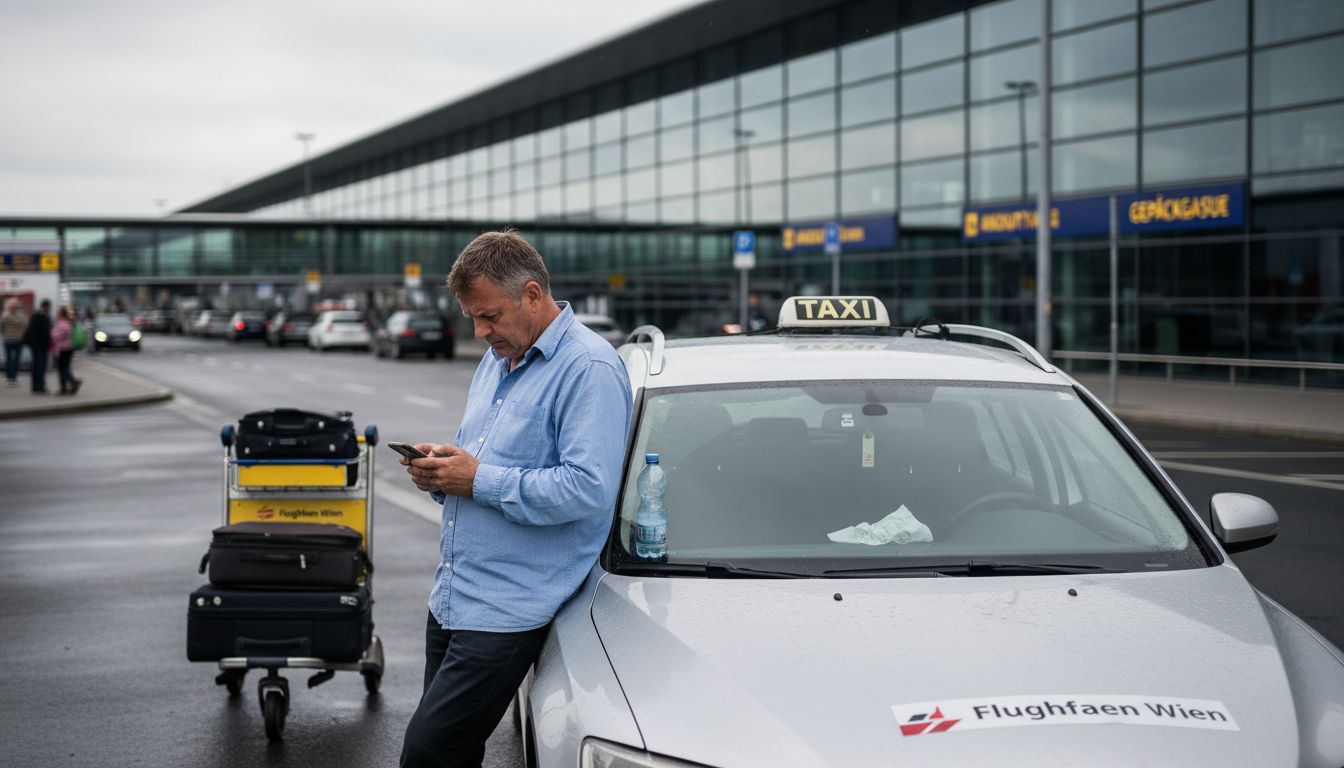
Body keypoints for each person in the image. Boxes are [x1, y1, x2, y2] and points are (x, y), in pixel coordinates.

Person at [398, 230, 633, 768]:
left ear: (532, 294)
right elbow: (486, 461)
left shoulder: (588, 368)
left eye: (490, 316)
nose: (480, 332)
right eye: (472, 318)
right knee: (447, 754)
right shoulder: (497, 358)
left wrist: (475, 479)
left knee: (428, 753)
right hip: (455, 596)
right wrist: (443, 473)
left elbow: (587, 487)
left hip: (508, 610)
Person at [21, 299, 52, 394]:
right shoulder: (44, 318)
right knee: (40, 366)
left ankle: (35, 386)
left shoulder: (34, 316)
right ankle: (40, 387)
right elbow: (47, 332)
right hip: (41, 346)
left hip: (34, 346)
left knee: (35, 366)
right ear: (46, 307)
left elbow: (30, 330)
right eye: (47, 308)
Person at [50, 306, 81, 395]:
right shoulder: (65, 322)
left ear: (61, 314)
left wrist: (54, 335)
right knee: (64, 368)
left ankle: (68, 385)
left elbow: (57, 335)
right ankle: (70, 384)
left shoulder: (62, 323)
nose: (56, 314)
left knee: (62, 369)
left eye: (58, 312)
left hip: (63, 348)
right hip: (67, 348)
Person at [2, 299, 26, 386]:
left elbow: (24, 325)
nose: (12, 308)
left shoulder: (7, 316)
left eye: (14, 306)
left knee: (15, 360)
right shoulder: (8, 316)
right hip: (10, 340)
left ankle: (13, 378)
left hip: (17, 340)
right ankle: (10, 378)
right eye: (11, 306)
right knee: (10, 360)